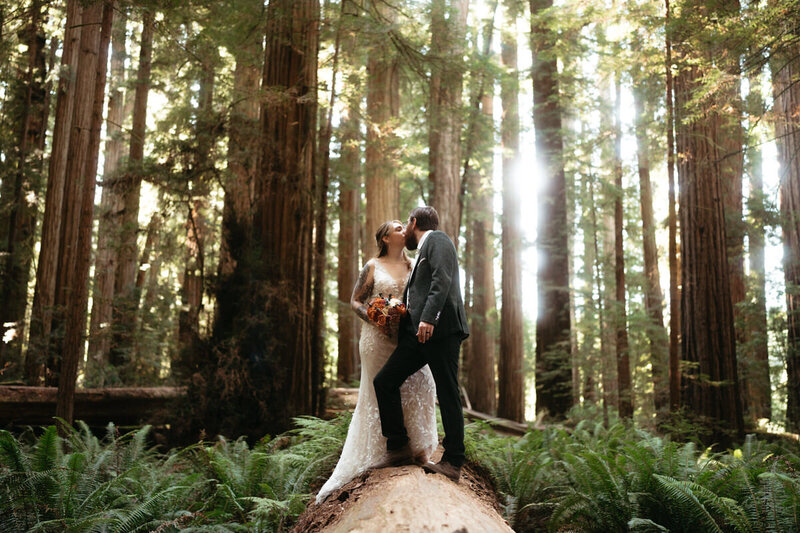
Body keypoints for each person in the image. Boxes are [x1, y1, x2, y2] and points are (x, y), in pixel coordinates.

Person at [315, 220, 438, 503]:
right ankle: (388, 448)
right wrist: (373, 315)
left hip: (406, 337)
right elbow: (355, 300)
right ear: (384, 238)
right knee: (379, 388)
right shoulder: (371, 266)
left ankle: (418, 446)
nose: (402, 228)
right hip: (376, 338)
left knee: (421, 381)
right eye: (396, 227)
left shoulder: (413, 265)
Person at [373, 206, 469, 482]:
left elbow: (442, 279)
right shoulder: (422, 254)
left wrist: (429, 319)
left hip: (441, 331)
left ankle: (453, 461)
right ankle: (398, 447)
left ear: (414, 223)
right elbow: (422, 291)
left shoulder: (438, 240)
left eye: (407, 224)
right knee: (385, 381)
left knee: (448, 391)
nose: (405, 231)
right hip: (419, 336)